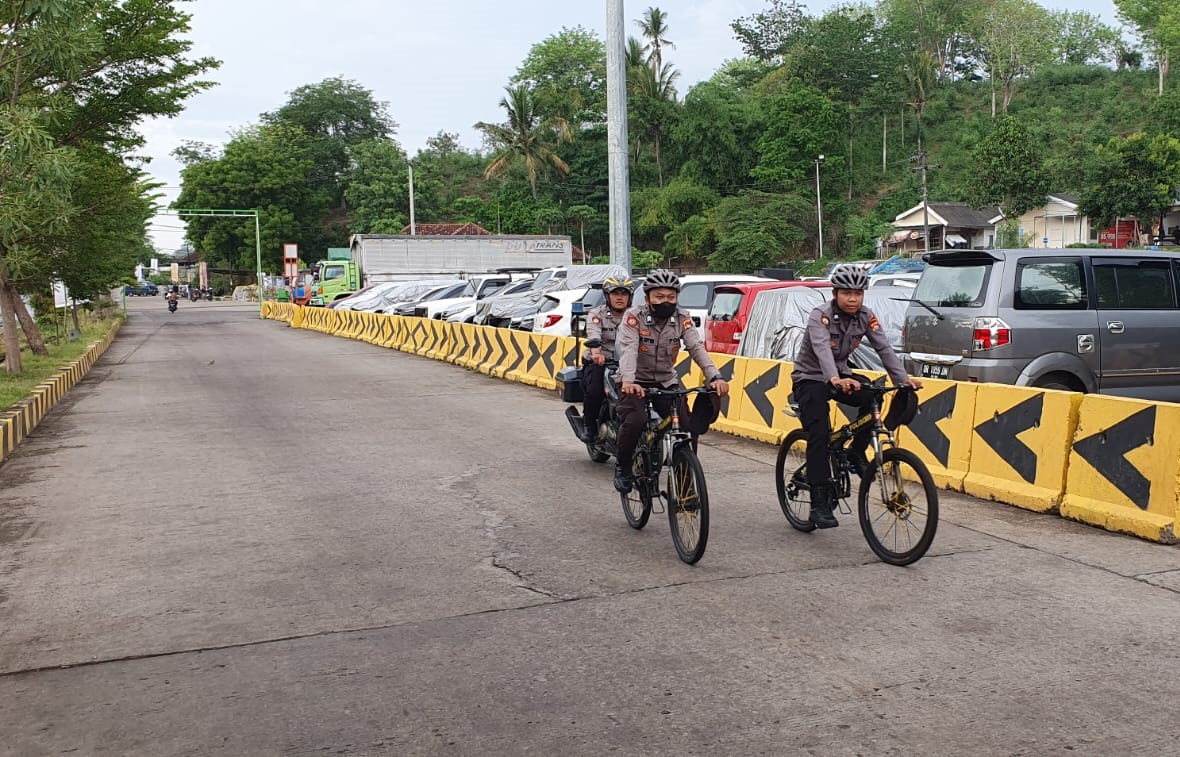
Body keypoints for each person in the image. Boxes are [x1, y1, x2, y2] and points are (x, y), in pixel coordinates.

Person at [790, 264, 922, 529]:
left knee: (873, 396)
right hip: (810, 378)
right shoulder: (821, 316)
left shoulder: (866, 316)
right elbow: (821, 350)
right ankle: (818, 503)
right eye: (847, 293)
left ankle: (855, 453)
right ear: (836, 293)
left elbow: (884, 348)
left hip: (841, 374)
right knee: (819, 434)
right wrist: (835, 379)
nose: (853, 299)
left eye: (858, 293)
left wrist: (902, 380)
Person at [613, 269, 730, 493]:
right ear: (647, 298)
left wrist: (714, 376)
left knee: (686, 428)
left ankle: (685, 485)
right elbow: (629, 350)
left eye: (671, 297)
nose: (665, 302)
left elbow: (696, 348)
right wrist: (628, 381)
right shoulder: (633, 317)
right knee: (635, 420)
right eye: (659, 297)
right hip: (634, 381)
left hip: (666, 381)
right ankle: (623, 467)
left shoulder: (682, 318)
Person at [578, 276, 634, 443]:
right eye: (615, 293)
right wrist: (596, 353)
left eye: (624, 293)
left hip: (626, 362)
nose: (619, 297)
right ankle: (589, 426)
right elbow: (594, 333)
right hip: (602, 361)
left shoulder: (635, 315)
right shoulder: (597, 314)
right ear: (607, 295)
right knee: (595, 391)